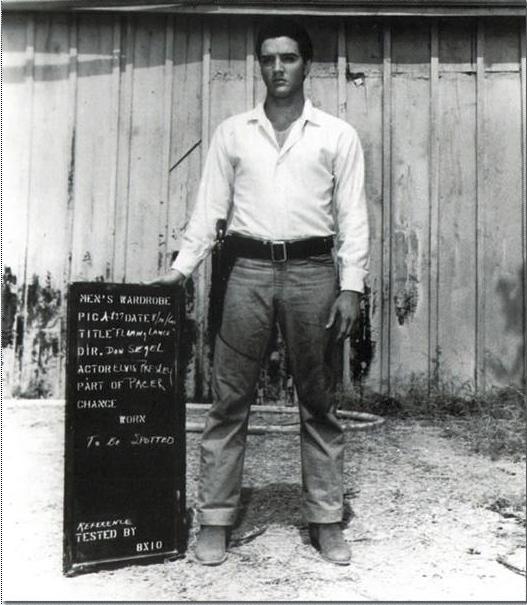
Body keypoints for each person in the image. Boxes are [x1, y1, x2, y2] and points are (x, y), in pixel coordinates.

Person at [150, 17, 369, 566]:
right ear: (259, 65)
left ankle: (326, 520)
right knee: (230, 400)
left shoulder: (337, 135)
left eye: (288, 58)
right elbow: (209, 209)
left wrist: (351, 286)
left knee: (319, 401)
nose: (277, 68)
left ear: (306, 64)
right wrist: (181, 270)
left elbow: (353, 217)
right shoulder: (233, 132)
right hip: (245, 270)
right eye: (268, 58)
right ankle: (215, 520)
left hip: (313, 271)